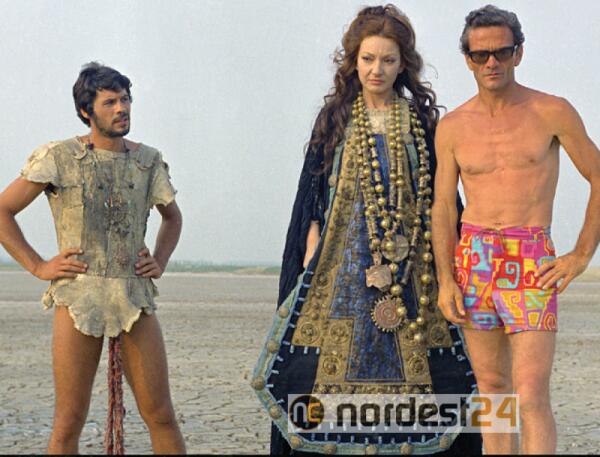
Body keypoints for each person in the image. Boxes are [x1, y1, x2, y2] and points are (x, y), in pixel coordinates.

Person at [252, 5, 482, 455]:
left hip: (413, 274)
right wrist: (312, 244)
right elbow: (312, 195)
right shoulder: (335, 119)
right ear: (353, 62)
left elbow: (442, 201)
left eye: (388, 60)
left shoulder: (421, 122)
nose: (377, 70)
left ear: (403, 64)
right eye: (368, 59)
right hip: (340, 273)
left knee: (429, 377)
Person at [432, 5, 600, 455]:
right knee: (492, 389)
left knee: (530, 393)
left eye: (502, 52)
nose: (492, 62)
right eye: (481, 54)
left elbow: (598, 175)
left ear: (518, 53)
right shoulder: (452, 127)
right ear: (467, 59)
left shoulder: (551, 111)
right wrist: (446, 278)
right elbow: (443, 206)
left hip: (530, 258)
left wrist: (581, 254)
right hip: (474, 259)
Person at [0, 62, 186, 454]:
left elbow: (172, 217)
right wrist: (39, 266)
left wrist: (160, 259)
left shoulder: (148, 160)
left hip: (133, 294)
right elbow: (3, 211)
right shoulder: (59, 156)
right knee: (69, 420)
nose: (122, 108)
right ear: (87, 111)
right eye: (110, 102)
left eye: (126, 99)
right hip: (78, 295)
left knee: (161, 415)